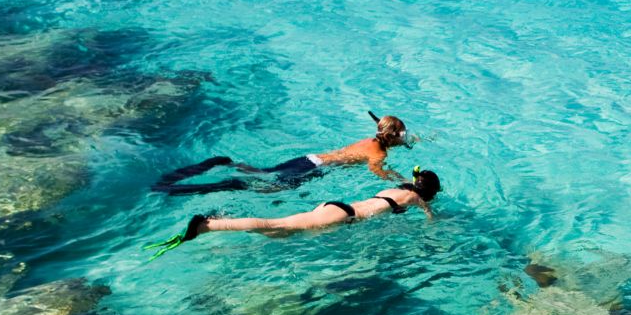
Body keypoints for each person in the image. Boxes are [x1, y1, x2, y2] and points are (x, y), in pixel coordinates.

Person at [144, 168, 443, 259]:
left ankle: (220, 225)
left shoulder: (397, 189)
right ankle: (208, 225)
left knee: (279, 236)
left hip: (336, 208)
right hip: (340, 217)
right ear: (427, 191)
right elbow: (430, 217)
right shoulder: (415, 198)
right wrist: (437, 226)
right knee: (276, 224)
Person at [150, 111, 418, 195]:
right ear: (392, 137)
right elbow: (375, 169)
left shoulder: (369, 141)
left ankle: (226, 163)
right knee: (270, 188)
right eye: (403, 134)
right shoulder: (379, 155)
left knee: (263, 172)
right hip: (314, 168)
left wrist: (410, 140)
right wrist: (398, 180)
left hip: (307, 158)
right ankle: (228, 182)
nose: (405, 137)